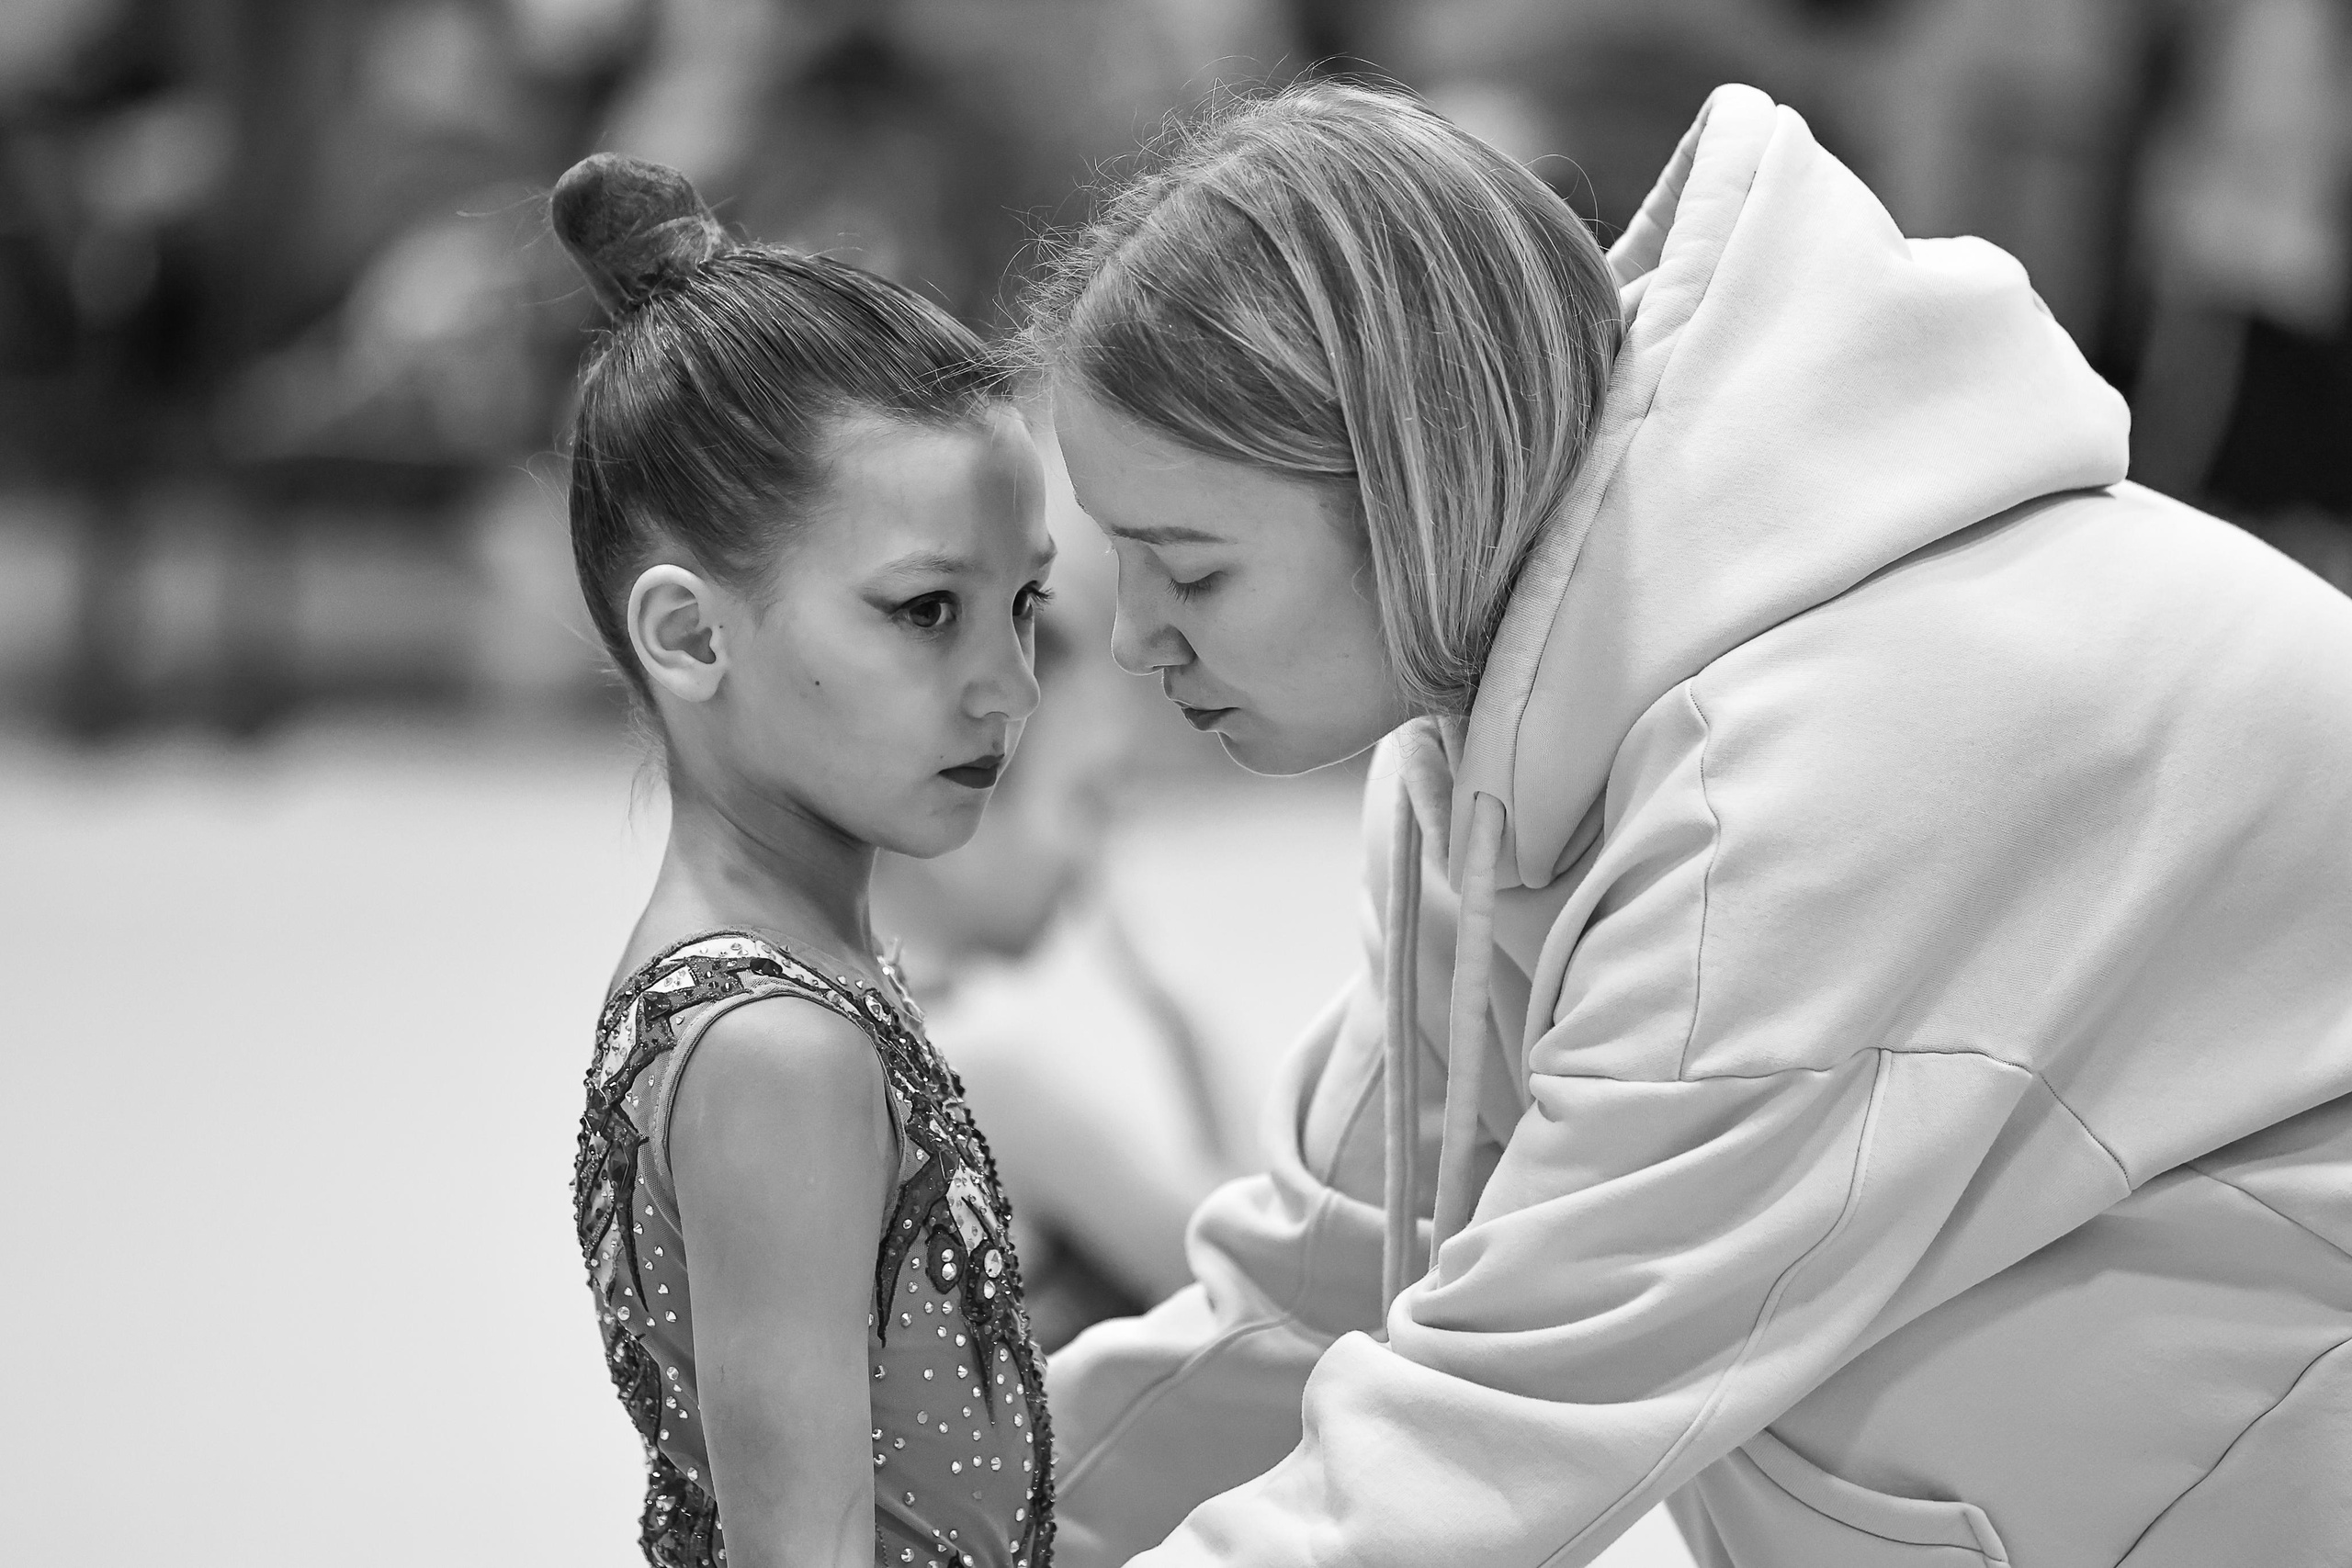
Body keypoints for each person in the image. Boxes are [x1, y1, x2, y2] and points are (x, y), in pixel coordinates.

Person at [1024, 80, 2352, 1568]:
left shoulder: (1806, 783)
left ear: (1414, 486)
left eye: (1190, 573)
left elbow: (1499, 1427)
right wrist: (939, 1507)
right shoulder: (1525, 721)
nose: (1133, 639)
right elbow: (1326, 1277)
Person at [555, 152, 1058, 1568]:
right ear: (692, 636)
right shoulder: (777, 1047)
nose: (1006, 688)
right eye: (923, 613)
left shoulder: (789, 980)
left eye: (1024, 606)